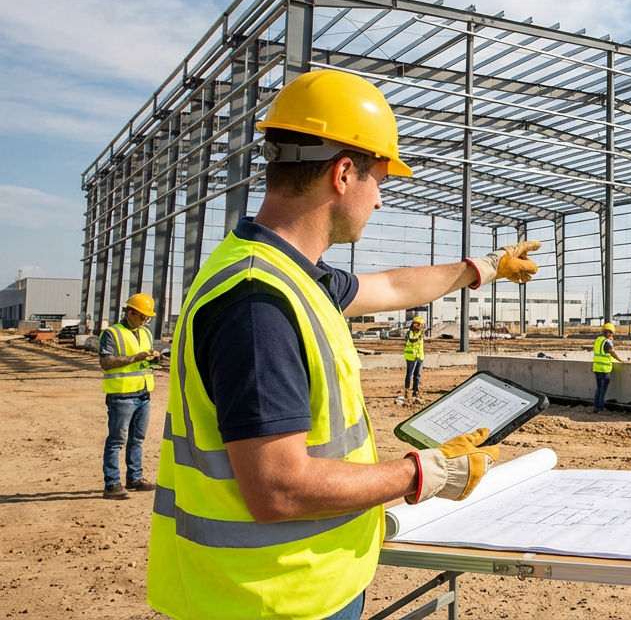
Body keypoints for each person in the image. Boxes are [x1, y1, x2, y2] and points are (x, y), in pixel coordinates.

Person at [147, 69, 543, 620]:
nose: (379, 202)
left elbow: (394, 287)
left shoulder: (289, 274)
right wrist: (421, 472)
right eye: (379, 180)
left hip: (300, 585)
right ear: (343, 173)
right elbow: (278, 489)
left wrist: (483, 268)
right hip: (271, 599)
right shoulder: (259, 306)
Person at [99, 292, 162, 500]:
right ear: (130, 312)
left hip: (143, 394)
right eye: (142, 317)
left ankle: (134, 478)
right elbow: (106, 363)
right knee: (117, 440)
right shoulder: (111, 334)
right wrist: (134, 358)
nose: (145, 321)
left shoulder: (145, 333)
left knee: (137, 440)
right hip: (122, 396)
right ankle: (112, 484)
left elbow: (143, 362)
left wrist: (153, 359)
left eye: (147, 318)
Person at [591, 322, 629, 413]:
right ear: (608, 332)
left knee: (599, 388)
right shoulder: (607, 342)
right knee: (602, 389)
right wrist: (620, 360)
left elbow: (601, 352)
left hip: (597, 368)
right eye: (611, 333)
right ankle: (600, 407)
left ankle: (596, 407)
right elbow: (612, 352)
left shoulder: (598, 340)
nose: (612, 335)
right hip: (604, 369)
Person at [401, 316, 425, 404]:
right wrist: (419, 335)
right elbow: (412, 340)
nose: (422, 327)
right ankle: (407, 391)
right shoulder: (409, 333)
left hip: (419, 356)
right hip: (411, 356)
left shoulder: (421, 333)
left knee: (417, 375)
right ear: (415, 325)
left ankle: (416, 391)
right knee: (409, 374)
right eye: (420, 325)